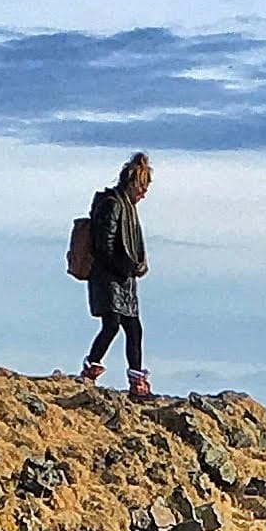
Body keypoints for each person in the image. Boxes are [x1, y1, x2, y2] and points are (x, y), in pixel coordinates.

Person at [79, 152, 153, 399]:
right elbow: (104, 245)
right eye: (142, 188)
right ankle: (90, 370)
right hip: (107, 276)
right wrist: (123, 267)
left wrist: (134, 266)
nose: (144, 194)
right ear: (133, 184)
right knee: (111, 325)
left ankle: (136, 380)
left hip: (124, 278)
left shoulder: (127, 208)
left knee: (133, 328)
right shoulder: (112, 205)